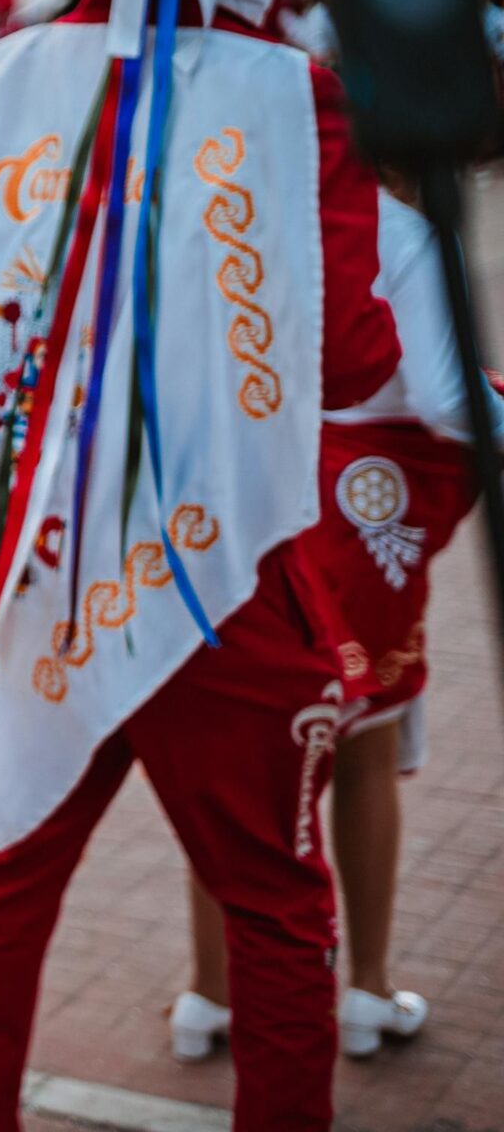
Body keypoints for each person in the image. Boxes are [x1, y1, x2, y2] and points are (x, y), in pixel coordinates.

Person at [0, 0, 424, 1126]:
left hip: (36, 563)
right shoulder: (296, 93)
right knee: (278, 909)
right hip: (224, 571)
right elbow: (356, 356)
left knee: (0, 893)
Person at [171, 182, 504, 1064]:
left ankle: (211, 992)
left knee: (238, 761)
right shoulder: (404, 229)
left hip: (253, 489)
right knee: (363, 750)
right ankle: (365, 987)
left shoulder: (257, 194)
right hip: (358, 503)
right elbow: (445, 397)